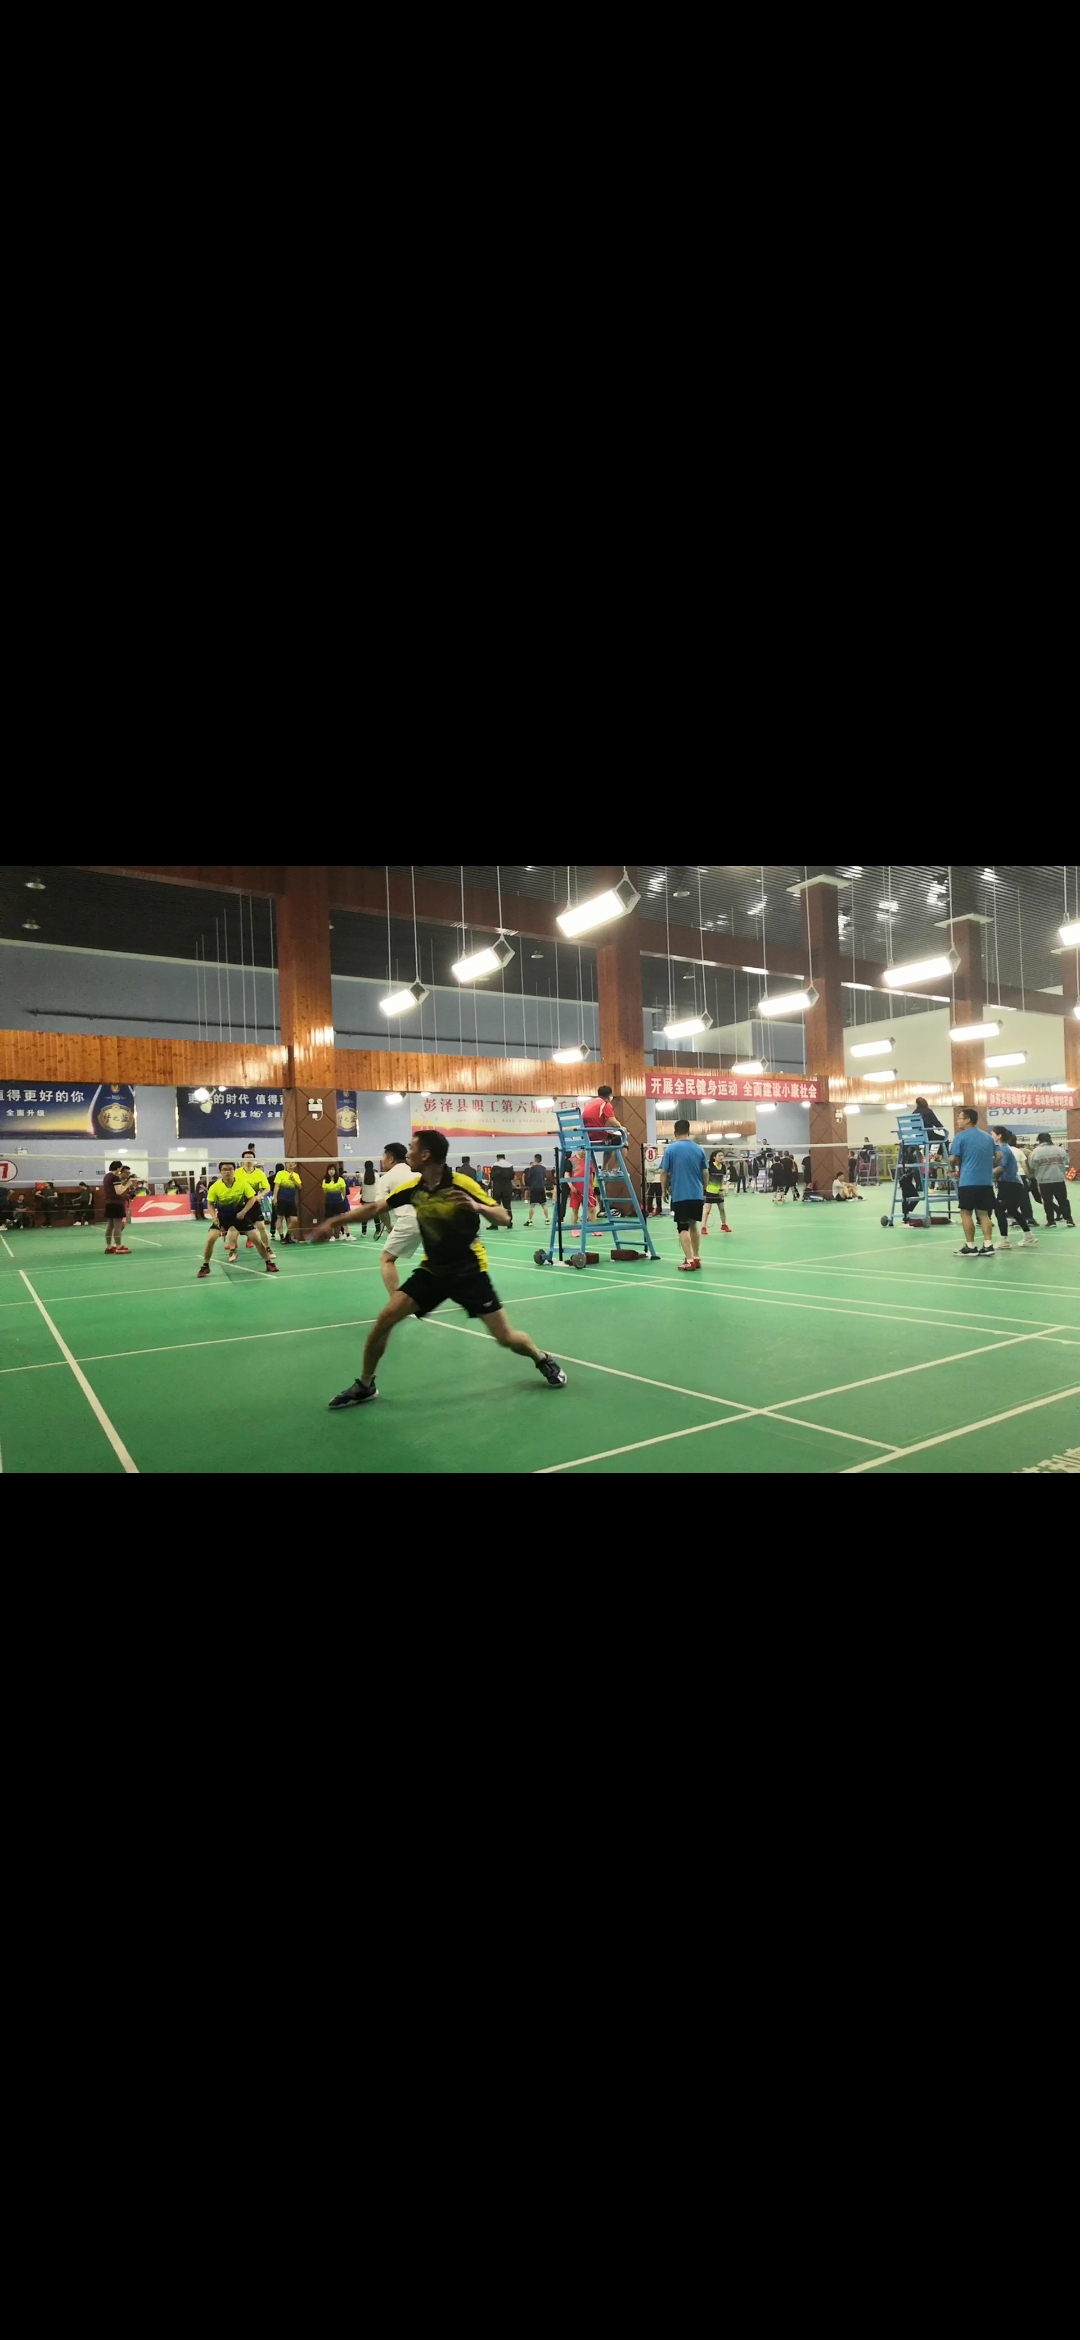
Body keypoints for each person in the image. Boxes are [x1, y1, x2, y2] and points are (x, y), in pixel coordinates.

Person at [310, 1129, 568, 1406]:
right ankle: (365, 1384)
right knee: (385, 1319)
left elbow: (504, 1217)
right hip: (433, 1270)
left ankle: (541, 1358)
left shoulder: (461, 1184)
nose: (407, 1154)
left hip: (470, 1271)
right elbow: (375, 1208)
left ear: (425, 1155)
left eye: (411, 1149)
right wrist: (334, 1222)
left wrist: (478, 1207)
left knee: (505, 1337)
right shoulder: (414, 1187)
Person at [197, 1162, 279, 1277]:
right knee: (211, 1238)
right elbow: (210, 1204)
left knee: (255, 1238)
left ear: (234, 1171)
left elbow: (252, 1199)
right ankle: (205, 1266)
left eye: (230, 1169)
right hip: (223, 1217)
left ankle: (268, 1262)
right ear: (220, 1172)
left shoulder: (242, 1184)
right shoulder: (215, 1187)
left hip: (240, 1217)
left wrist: (244, 1211)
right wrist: (214, 1217)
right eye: (225, 1169)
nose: (228, 1172)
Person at [373, 1142, 422, 1296]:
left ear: (391, 1159)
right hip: (432, 1219)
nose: (382, 1160)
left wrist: (389, 1226)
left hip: (409, 1221)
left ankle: (396, 1301)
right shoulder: (418, 1173)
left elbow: (380, 1208)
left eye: (383, 1157)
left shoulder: (386, 1178)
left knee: (386, 1259)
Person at [950, 1109, 1001, 1257]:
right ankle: (988, 1245)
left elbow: (953, 1158)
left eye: (960, 1118)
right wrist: (989, 1166)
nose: (957, 1121)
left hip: (968, 1181)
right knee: (984, 1214)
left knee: (966, 1213)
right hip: (985, 1182)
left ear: (967, 1120)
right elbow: (999, 1155)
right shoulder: (988, 1137)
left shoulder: (960, 1137)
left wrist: (951, 1167)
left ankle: (970, 1246)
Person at [661, 1117, 708, 1269]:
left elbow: (664, 1172)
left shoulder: (670, 1149)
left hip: (680, 1195)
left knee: (682, 1227)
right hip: (696, 1194)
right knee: (693, 1225)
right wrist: (704, 1189)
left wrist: (663, 1190)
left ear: (675, 1133)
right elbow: (705, 1172)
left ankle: (689, 1260)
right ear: (689, 1131)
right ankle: (696, 1256)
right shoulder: (699, 1149)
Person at [991, 1128, 1037, 1249]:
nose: (991, 1136)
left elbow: (1001, 1167)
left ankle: (1004, 1240)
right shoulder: (1002, 1149)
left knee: (999, 1210)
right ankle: (1028, 1235)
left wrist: (986, 1174)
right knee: (1011, 1210)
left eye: (992, 1134)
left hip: (1010, 1184)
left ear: (999, 1136)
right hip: (1010, 1183)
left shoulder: (1004, 1149)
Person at [1028, 1132, 1074, 1228]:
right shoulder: (1060, 1150)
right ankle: (1069, 1220)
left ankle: (1051, 1221)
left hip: (1044, 1181)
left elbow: (1032, 1166)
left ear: (1039, 1140)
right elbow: (1067, 1161)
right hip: (1059, 1179)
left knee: (1047, 1201)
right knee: (1063, 1200)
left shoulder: (1035, 1152)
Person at [583, 1085, 625, 1174]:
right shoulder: (605, 1104)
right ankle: (616, 1169)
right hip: (598, 1136)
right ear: (610, 1095)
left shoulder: (590, 1104)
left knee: (611, 1141)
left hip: (587, 1137)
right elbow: (613, 1121)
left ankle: (604, 1169)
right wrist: (621, 1128)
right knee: (624, 1143)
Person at [240, 1149, 274, 1247]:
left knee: (261, 1227)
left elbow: (267, 1188)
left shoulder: (259, 1173)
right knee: (235, 1228)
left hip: (254, 1202)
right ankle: (232, 1247)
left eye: (251, 1158)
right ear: (242, 1160)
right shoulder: (237, 1173)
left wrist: (259, 1196)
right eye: (246, 1158)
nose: (248, 1160)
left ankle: (267, 1248)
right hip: (240, 1202)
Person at [102, 1161, 131, 1255]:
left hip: (109, 1203)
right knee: (118, 1226)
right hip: (117, 1204)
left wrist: (123, 1184)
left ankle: (109, 1246)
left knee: (110, 1226)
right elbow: (119, 1192)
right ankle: (118, 1246)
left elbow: (114, 1188)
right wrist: (127, 1185)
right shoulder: (115, 1177)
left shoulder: (106, 1176)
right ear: (118, 1168)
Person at [702, 1151, 732, 1236]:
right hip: (709, 1191)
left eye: (722, 1155)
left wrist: (721, 1189)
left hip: (718, 1191)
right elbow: (706, 1177)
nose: (721, 1157)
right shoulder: (709, 1166)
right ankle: (703, 1227)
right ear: (714, 1157)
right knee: (707, 1210)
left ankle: (724, 1225)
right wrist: (705, 1189)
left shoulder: (723, 1166)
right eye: (719, 1155)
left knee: (722, 1209)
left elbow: (721, 1179)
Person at [274, 1161, 302, 1242]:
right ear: (286, 1164)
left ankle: (288, 1236)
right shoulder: (280, 1173)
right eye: (288, 1162)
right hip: (281, 1199)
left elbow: (300, 1187)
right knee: (280, 1218)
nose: (290, 1164)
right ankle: (282, 1237)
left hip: (291, 1200)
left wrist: (294, 1180)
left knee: (294, 1220)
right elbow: (277, 1186)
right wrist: (275, 1198)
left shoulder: (296, 1175)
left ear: (295, 1165)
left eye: (292, 1163)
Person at [525, 1154, 550, 1227]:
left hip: (534, 1188)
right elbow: (544, 1177)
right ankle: (547, 1220)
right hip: (541, 1187)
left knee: (532, 1205)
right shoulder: (544, 1168)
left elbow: (528, 1179)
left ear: (535, 1159)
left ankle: (530, 1221)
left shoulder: (531, 1169)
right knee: (544, 1204)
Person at [490, 1155, 515, 1226]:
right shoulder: (510, 1166)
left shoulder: (495, 1166)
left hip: (497, 1188)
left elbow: (492, 1176)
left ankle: (494, 1224)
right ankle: (509, 1222)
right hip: (507, 1188)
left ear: (497, 1158)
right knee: (507, 1206)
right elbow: (512, 1176)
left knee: (496, 1206)